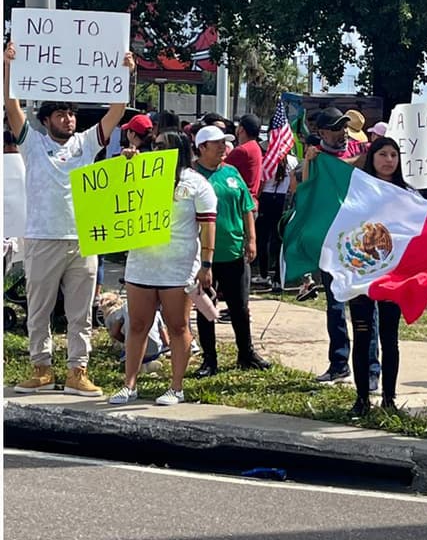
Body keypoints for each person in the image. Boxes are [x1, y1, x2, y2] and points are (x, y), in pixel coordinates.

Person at [5, 41, 135, 396]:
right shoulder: (31, 143)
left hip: (83, 239)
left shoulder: (86, 143)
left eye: (72, 113)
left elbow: (116, 110)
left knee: (80, 313)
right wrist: (9, 67)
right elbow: (12, 105)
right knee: (39, 309)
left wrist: (126, 72)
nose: (68, 119)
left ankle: (78, 371)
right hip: (43, 237)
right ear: (46, 119)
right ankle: (41, 368)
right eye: (61, 114)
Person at [110, 130, 217, 405]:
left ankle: (176, 387)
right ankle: (129, 385)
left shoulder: (197, 184)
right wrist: (126, 165)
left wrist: (206, 264)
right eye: (154, 146)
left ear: (180, 151)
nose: (155, 150)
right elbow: (114, 196)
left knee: (178, 326)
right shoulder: (141, 174)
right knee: (137, 325)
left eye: (162, 147)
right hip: (141, 264)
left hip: (177, 267)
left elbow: (207, 226)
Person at [192, 125, 270, 376]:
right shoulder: (192, 175)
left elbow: (246, 206)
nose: (223, 147)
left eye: (224, 143)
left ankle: (246, 353)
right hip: (205, 256)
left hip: (235, 251)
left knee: (240, 306)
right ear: (202, 147)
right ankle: (209, 359)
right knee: (206, 307)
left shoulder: (232, 172)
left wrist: (252, 238)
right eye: (216, 144)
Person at [306, 108, 376, 383]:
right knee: (335, 305)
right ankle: (338, 363)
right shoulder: (317, 158)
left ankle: (371, 369)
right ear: (322, 132)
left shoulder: (364, 150)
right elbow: (304, 190)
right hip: (330, 242)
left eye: (343, 127)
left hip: (361, 240)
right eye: (335, 128)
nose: (341, 132)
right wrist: (311, 163)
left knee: (367, 307)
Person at [347, 138, 410, 415]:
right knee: (362, 335)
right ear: (372, 157)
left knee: (389, 338)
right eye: (383, 154)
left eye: (394, 155)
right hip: (362, 273)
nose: (388, 160)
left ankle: (389, 399)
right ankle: (362, 398)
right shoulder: (358, 191)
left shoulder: (408, 195)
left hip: (392, 276)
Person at [254, 144, 297, 289]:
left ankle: (264, 274)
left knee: (264, 239)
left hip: (266, 198)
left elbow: (261, 181)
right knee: (279, 239)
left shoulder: (267, 160)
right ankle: (279, 277)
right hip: (283, 199)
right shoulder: (293, 161)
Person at [227, 113, 264, 203]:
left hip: (242, 203)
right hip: (250, 200)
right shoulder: (255, 146)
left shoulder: (242, 150)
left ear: (241, 129)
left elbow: (220, 169)